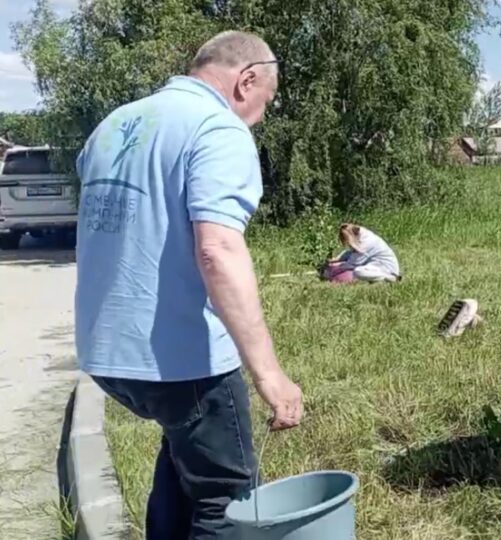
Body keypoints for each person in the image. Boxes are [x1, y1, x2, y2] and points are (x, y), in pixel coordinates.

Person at [75, 31, 303, 539]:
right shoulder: (217, 128)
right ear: (246, 80)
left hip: (109, 355)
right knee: (227, 498)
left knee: (186, 456)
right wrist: (269, 374)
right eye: (263, 103)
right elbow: (217, 249)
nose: (259, 119)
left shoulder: (114, 124)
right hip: (182, 359)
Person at [322, 223, 401, 283]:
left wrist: (333, 269)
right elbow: (351, 253)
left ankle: (390, 278)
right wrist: (337, 259)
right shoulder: (362, 235)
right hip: (376, 264)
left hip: (386, 268)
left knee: (358, 272)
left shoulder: (366, 243)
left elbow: (352, 263)